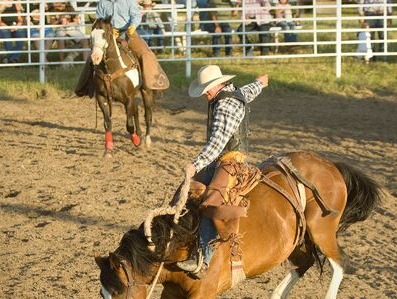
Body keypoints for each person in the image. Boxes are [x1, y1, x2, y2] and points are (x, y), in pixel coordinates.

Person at [176, 65, 269, 277]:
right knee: (191, 189)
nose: (205, 93)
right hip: (220, 160)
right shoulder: (234, 92)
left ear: (219, 84)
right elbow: (250, 91)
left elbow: (217, 143)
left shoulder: (225, 105)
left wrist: (196, 164)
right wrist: (261, 83)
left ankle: (203, 258)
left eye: (207, 89)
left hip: (232, 161)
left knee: (212, 201)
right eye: (204, 89)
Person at [75, 0, 170, 97]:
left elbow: (136, 15)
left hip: (128, 32)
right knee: (94, 55)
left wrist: (133, 26)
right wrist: (108, 30)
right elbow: (99, 21)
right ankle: (84, 86)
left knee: (144, 52)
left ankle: (152, 82)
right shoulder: (103, 2)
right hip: (108, 34)